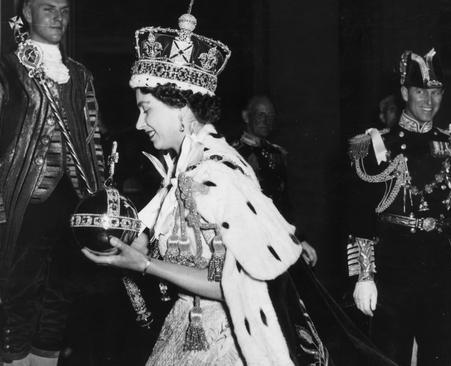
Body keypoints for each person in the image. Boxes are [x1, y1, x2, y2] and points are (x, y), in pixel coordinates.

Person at [82, 10, 329, 366]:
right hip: (185, 328)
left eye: (146, 109)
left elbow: (233, 283)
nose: (139, 123)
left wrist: (146, 264)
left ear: (181, 108)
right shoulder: (185, 169)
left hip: (226, 343)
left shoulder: (215, 174)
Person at [346, 47, 451, 365]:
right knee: (389, 357)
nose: (428, 101)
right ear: (405, 92)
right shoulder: (378, 146)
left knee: (441, 355)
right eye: (420, 91)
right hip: (393, 267)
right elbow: (360, 217)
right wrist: (364, 276)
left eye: (435, 92)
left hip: (440, 267)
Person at [0, 0, 105, 364]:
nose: (59, 16)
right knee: (17, 286)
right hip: (22, 197)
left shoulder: (80, 75)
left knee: (62, 289)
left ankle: (45, 359)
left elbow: (94, 140)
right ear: (27, 14)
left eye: (64, 9)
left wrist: (101, 196)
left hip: (74, 198)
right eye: (49, 8)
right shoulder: (7, 69)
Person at [234, 95, 317, 266]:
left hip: (278, 237)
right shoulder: (233, 153)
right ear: (245, 116)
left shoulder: (278, 154)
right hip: (246, 241)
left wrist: (298, 239)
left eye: (270, 117)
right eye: (261, 115)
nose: (266, 121)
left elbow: (285, 203)